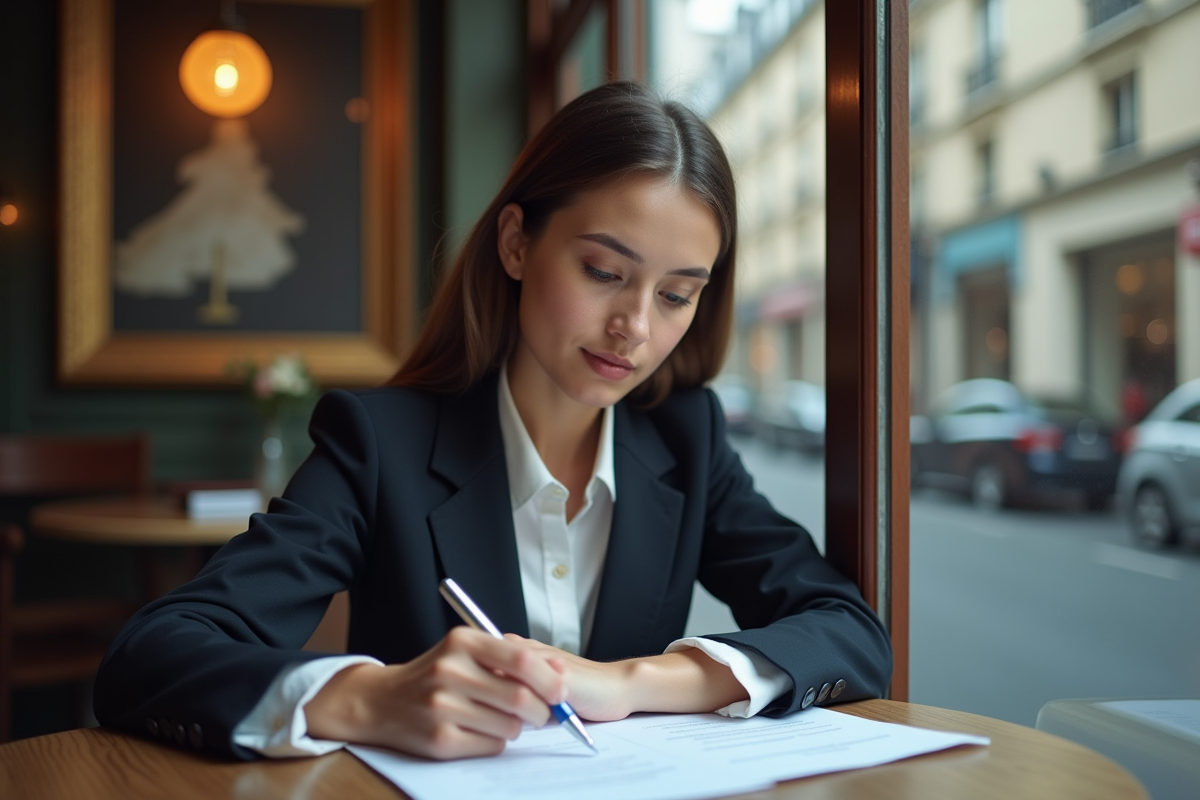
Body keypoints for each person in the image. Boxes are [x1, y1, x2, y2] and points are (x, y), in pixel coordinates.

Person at [94, 81, 892, 761]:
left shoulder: (688, 438)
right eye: (604, 272)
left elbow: (850, 632)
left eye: (677, 294)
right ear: (516, 243)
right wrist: (367, 699)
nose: (636, 328)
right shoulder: (381, 445)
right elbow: (149, 657)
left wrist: (629, 683)